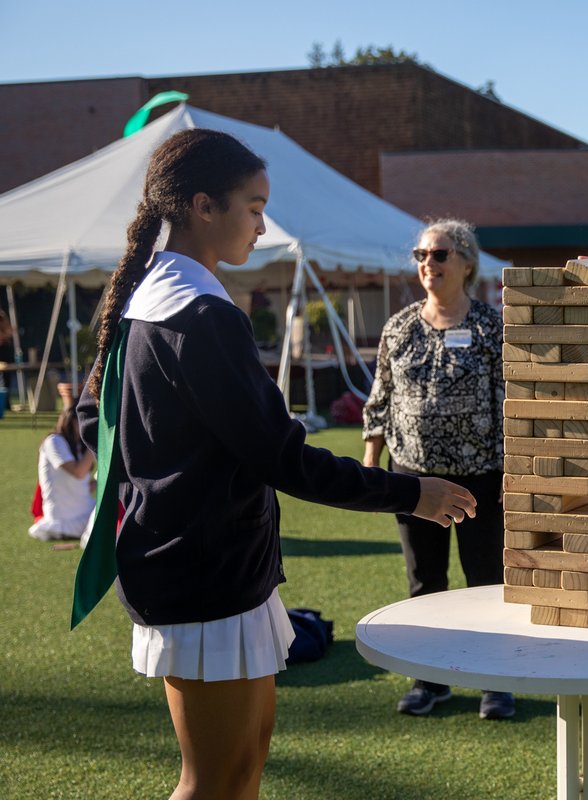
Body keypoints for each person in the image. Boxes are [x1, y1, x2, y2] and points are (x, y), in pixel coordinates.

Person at [75, 129, 477, 800]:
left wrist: (161, 473)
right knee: (213, 783)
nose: (263, 226)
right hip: (202, 577)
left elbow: (95, 419)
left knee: (243, 771)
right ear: (204, 206)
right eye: (254, 207)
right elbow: (280, 457)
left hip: (214, 570)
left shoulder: (156, 296)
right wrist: (411, 493)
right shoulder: (195, 311)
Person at [361, 218, 513, 721]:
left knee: (486, 581)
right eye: (422, 255)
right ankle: (430, 680)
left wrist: (514, 472)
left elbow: (512, 402)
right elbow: (380, 400)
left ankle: (495, 681)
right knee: (425, 583)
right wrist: (370, 467)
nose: (429, 264)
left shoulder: (492, 327)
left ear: (467, 262)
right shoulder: (399, 326)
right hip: (411, 478)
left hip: (480, 476)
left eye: (441, 254)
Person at [29, 404, 96, 543]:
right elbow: (78, 473)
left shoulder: (79, 446)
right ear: (71, 420)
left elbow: (82, 486)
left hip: (85, 510)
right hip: (65, 518)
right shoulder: (54, 441)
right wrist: (95, 444)